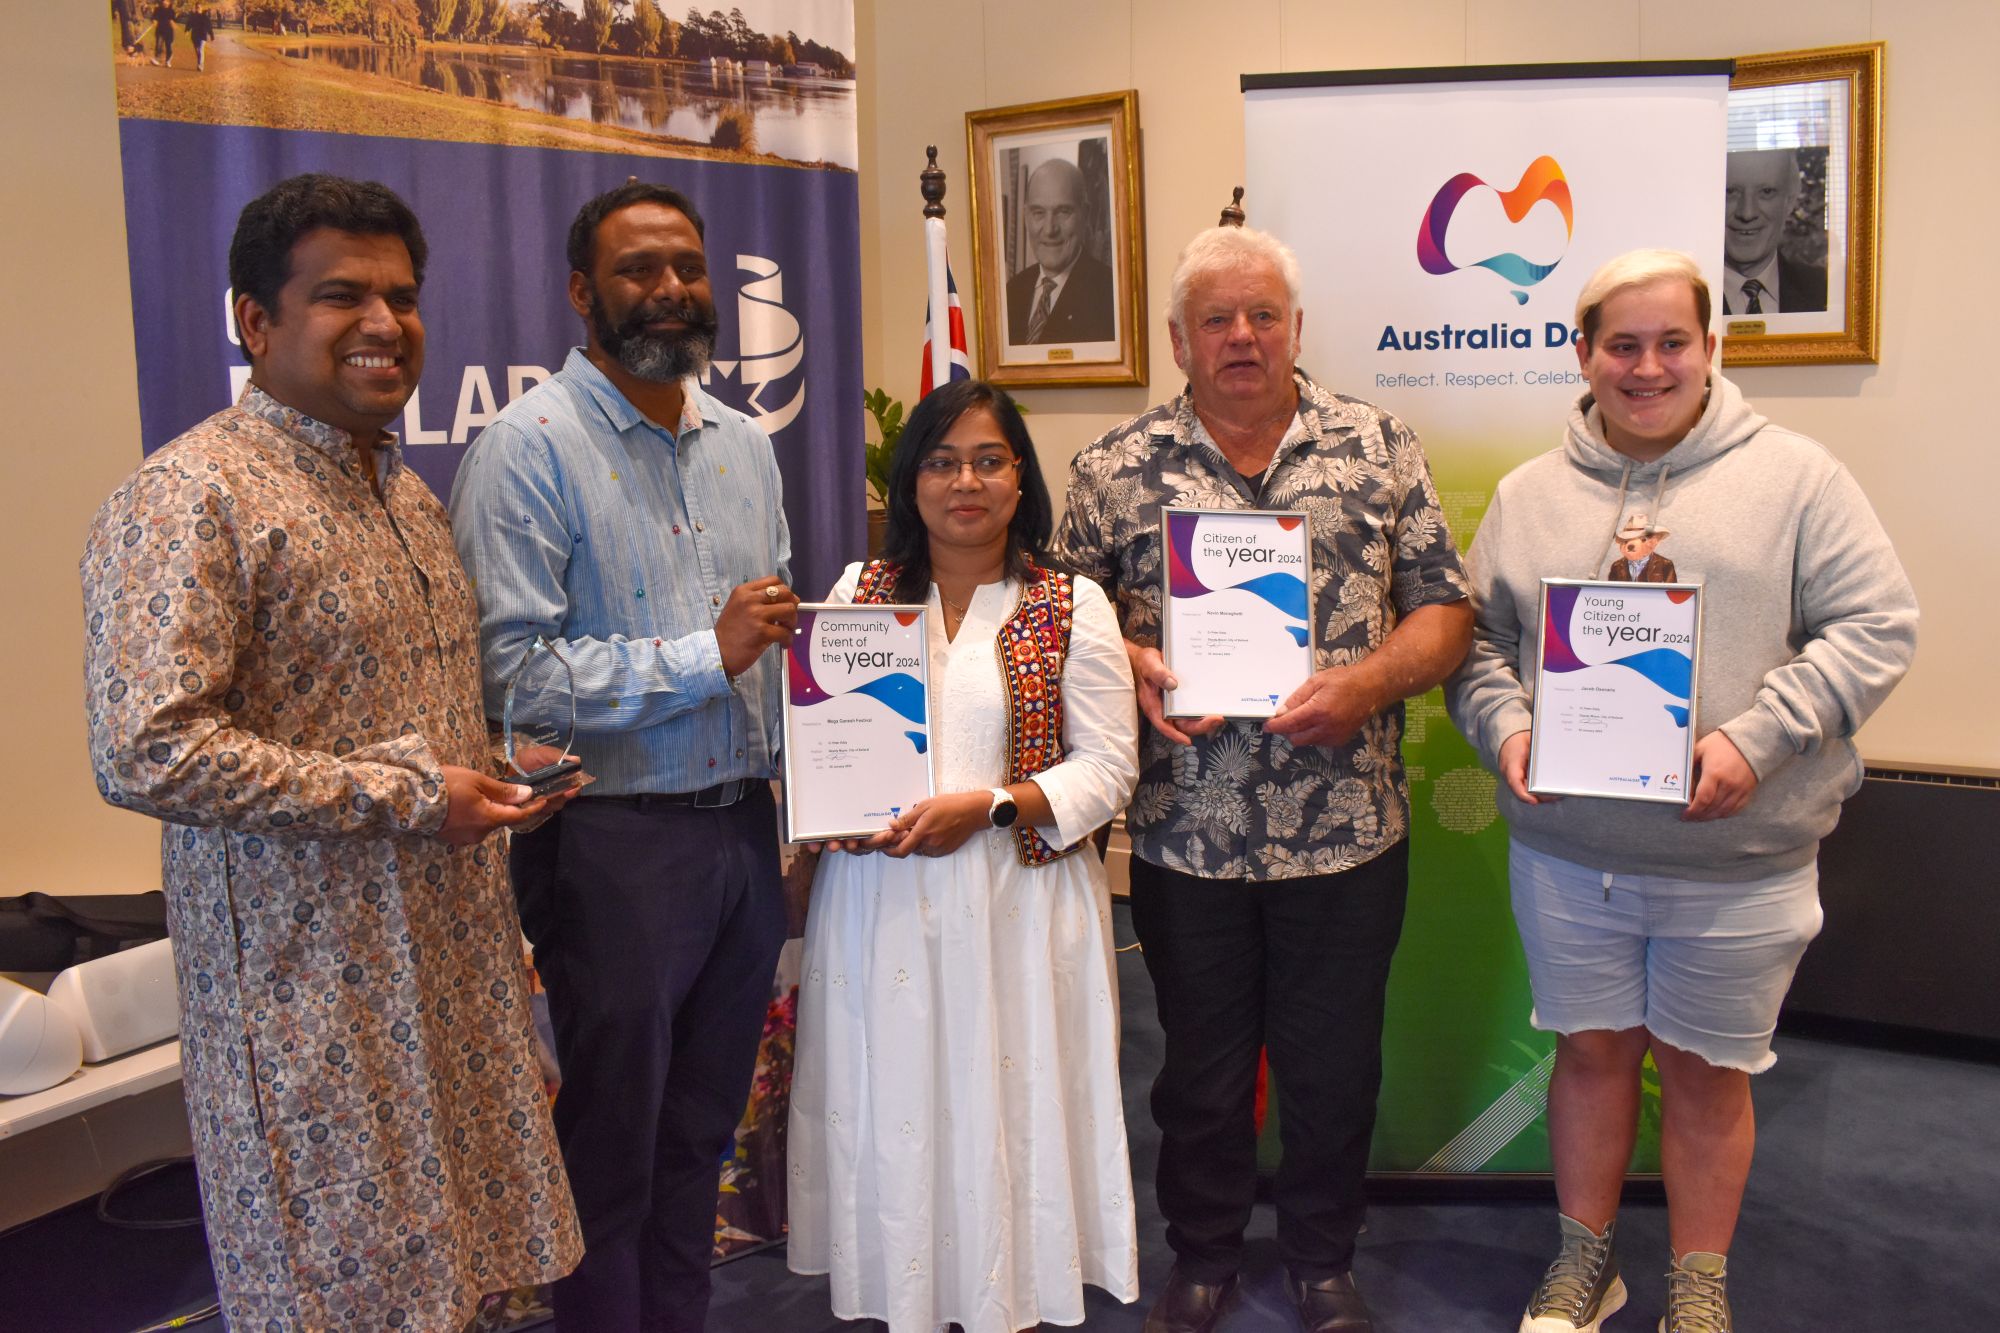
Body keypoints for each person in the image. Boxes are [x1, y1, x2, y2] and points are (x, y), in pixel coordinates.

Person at [80, 173, 583, 1333]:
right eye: (339, 296)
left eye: (400, 296)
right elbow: (145, 748)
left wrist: (497, 773)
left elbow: (394, 716)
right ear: (255, 321)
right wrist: (409, 798)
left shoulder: (403, 491)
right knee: (346, 1298)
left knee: (464, 1287)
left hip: (449, 973)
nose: (382, 324)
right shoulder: (187, 497)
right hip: (308, 998)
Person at [1445, 249, 1916, 1333]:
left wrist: (1756, 738)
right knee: (1590, 1053)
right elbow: (1478, 645)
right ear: (1582, 354)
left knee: (1707, 1077)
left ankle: (1696, 1284)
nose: (1646, 366)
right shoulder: (1524, 494)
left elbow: (1876, 626)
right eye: (1621, 344)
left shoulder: (1797, 478)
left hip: (1736, 859)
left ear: (1710, 349)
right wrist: (1506, 726)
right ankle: (1583, 1261)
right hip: (1569, 853)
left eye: (1670, 343)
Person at [1054, 224, 1472, 1333]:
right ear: (1178, 339)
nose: (1241, 337)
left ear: (1294, 326)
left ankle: (1322, 1255)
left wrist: (1366, 684)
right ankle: (1200, 1250)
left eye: (1262, 315)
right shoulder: (1109, 469)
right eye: (1216, 320)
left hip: (1345, 832)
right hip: (1185, 836)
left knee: (1332, 1067)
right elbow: (1056, 623)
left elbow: (1445, 611)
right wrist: (1131, 662)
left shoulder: (1379, 447)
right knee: (1196, 1067)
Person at [450, 180, 796, 1333]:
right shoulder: (524, 448)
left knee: (701, 1131)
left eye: (687, 267)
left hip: (742, 831)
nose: (669, 290)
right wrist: (705, 654)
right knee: (611, 1145)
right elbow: (509, 684)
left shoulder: (745, 446)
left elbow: (779, 651)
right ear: (580, 292)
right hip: (615, 845)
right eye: (639, 269)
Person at [787, 380, 1141, 1332]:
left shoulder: (1075, 603)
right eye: (941, 462)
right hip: (879, 898)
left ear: (1021, 478)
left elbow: (1110, 770)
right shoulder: (856, 596)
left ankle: (1009, 1294)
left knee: (1009, 1092)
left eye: (989, 459)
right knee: (896, 1090)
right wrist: (825, 809)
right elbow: (818, 744)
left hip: (1017, 899)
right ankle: (904, 1288)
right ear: (912, 484)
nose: (965, 481)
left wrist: (987, 807)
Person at [1004, 157, 1117, 344]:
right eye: (1038, 213)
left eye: (1063, 211)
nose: (1049, 229)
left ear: (1085, 215)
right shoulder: (1011, 293)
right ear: (1026, 217)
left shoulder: (1110, 297)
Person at [1721, 149, 1827, 314]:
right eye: (1730, 192)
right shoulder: (1683, 294)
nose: (1747, 213)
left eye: (1766, 192)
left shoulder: (1823, 289)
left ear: (1790, 201)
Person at [1604, 513, 1676, 582]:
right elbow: (1612, 591)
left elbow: (1672, 590)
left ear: (1653, 541)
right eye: (1626, 541)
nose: (1630, 545)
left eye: (1643, 540)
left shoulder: (1665, 564)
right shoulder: (1617, 566)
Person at [183, 4, 214, 70]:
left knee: (200, 50)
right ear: (195, 8)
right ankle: (199, 63)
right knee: (197, 51)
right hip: (195, 36)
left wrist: (211, 35)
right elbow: (189, 24)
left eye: (199, 7)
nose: (198, 9)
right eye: (197, 7)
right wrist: (187, 30)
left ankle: (201, 65)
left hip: (203, 36)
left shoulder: (205, 17)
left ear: (201, 8)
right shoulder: (193, 16)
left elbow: (209, 27)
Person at [149, 0, 175, 65]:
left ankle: (168, 60)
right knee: (158, 45)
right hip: (160, 31)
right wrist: (154, 20)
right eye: (164, 1)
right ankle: (157, 59)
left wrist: (172, 23)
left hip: (169, 32)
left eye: (167, 1)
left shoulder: (171, 11)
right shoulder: (157, 9)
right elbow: (154, 17)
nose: (165, 2)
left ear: (169, 2)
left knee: (168, 46)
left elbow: (172, 20)